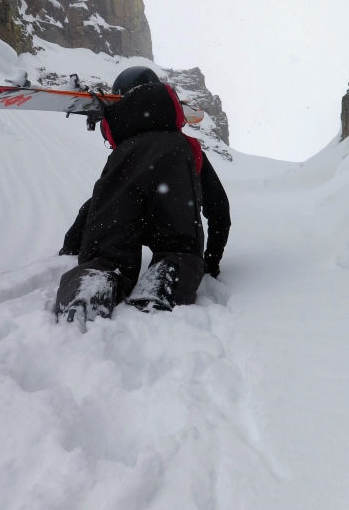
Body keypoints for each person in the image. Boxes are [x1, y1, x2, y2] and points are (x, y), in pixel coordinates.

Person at [54, 66, 230, 331]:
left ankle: (90, 286)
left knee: (106, 259)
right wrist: (211, 261)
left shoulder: (121, 152)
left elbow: (96, 204)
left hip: (124, 209)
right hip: (173, 202)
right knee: (177, 251)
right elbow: (218, 208)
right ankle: (166, 278)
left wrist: (71, 247)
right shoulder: (187, 147)